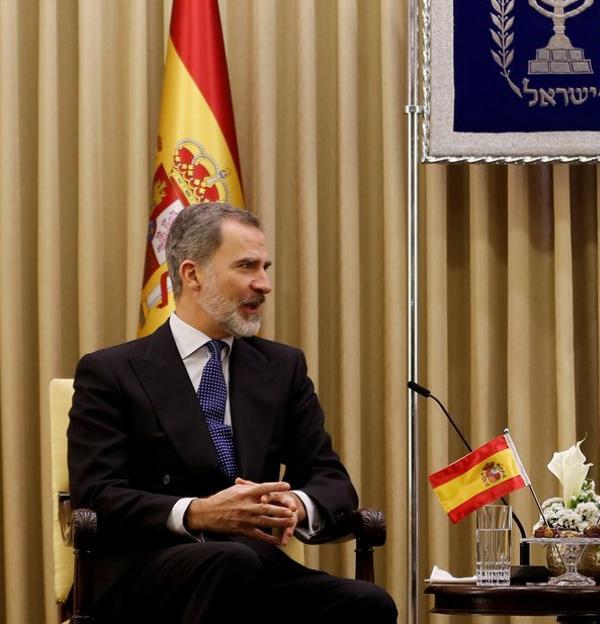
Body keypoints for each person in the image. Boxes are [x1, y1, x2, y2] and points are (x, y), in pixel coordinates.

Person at [68, 202, 396, 623]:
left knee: (369, 604)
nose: (264, 284)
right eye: (246, 267)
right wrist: (198, 512)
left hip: (253, 565)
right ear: (193, 275)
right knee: (229, 564)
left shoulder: (281, 367)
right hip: (144, 570)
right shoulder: (112, 371)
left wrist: (294, 504)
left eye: (265, 267)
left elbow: (331, 479)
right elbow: (98, 497)